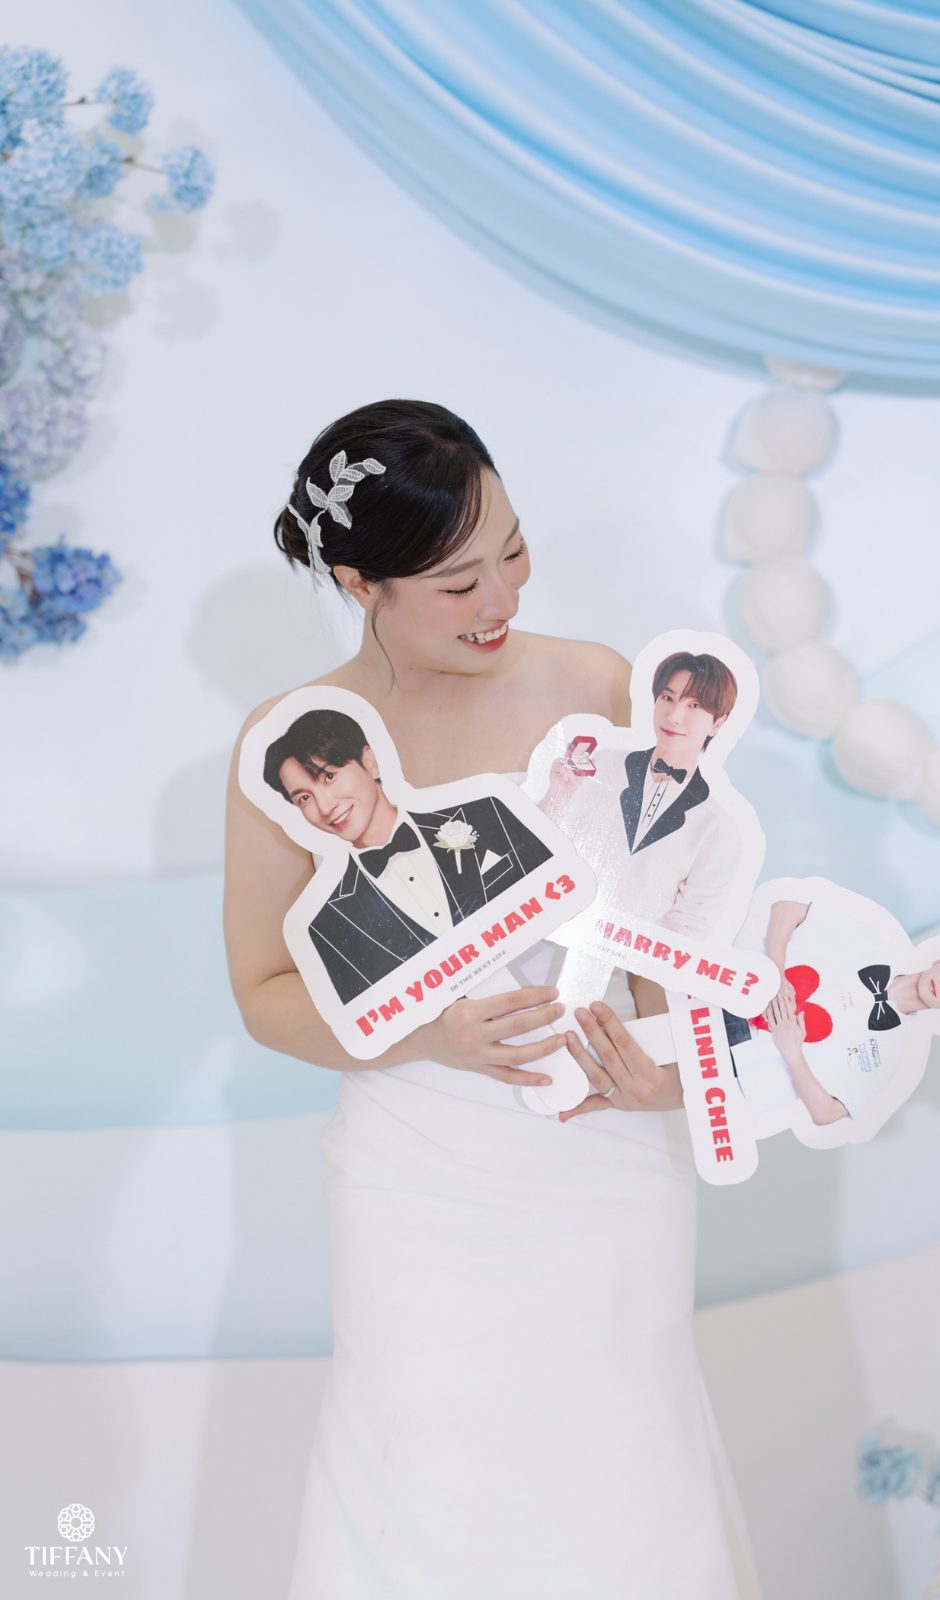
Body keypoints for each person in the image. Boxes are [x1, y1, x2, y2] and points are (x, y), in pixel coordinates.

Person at [223, 400, 761, 1600]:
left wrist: (674, 1071)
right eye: (458, 582)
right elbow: (262, 990)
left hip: (600, 1157)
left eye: (511, 553)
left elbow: (666, 936)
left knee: (622, 1471)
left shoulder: (598, 684)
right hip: (417, 1176)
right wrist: (427, 1030)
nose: (501, 598)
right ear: (359, 583)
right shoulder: (293, 748)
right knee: (423, 1477)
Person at [262, 707, 553, 1004]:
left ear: (369, 762)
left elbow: (564, 891)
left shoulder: (484, 813)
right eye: (304, 798)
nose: (325, 807)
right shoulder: (330, 922)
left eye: (329, 776)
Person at [725, 889, 940, 1129]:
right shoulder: (872, 943)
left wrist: (792, 1053)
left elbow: (826, 1113)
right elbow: (785, 909)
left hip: (739, 1069)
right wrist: (776, 974)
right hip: (733, 988)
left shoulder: (891, 1053)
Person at [537, 651, 745, 941]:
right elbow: (538, 851)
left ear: (718, 723)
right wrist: (557, 794)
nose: (674, 716)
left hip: (625, 961)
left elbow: (692, 926)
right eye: (668, 698)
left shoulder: (717, 828)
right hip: (550, 930)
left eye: (694, 705)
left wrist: (629, 958)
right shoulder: (601, 766)